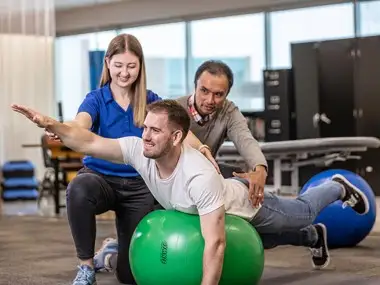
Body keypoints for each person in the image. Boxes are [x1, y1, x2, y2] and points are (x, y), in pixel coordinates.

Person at [12, 99, 369, 284]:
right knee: (277, 240)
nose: (145, 136)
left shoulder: (198, 176)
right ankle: (312, 236)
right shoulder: (140, 150)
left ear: (177, 138)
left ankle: (335, 187)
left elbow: (215, 244)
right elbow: (89, 140)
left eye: (155, 130)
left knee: (301, 212)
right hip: (208, 214)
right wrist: (50, 123)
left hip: (243, 207)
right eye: (145, 127)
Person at [44, 34, 218, 285]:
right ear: (107, 63)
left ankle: (111, 253)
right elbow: (80, 123)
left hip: (139, 185)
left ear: (140, 66)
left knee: (128, 276)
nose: (124, 73)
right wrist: (62, 128)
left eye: (131, 66)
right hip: (100, 179)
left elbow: (177, 128)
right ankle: (86, 267)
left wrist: (202, 148)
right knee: (79, 189)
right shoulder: (96, 99)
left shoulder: (148, 99)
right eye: (118, 65)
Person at [93, 59, 270, 268]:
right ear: (195, 86)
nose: (210, 99)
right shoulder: (175, 111)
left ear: (226, 94)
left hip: (197, 180)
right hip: (165, 180)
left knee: (236, 201)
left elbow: (244, 138)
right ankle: (115, 250)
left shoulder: (228, 112)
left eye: (218, 94)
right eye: (204, 90)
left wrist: (259, 168)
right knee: (131, 264)